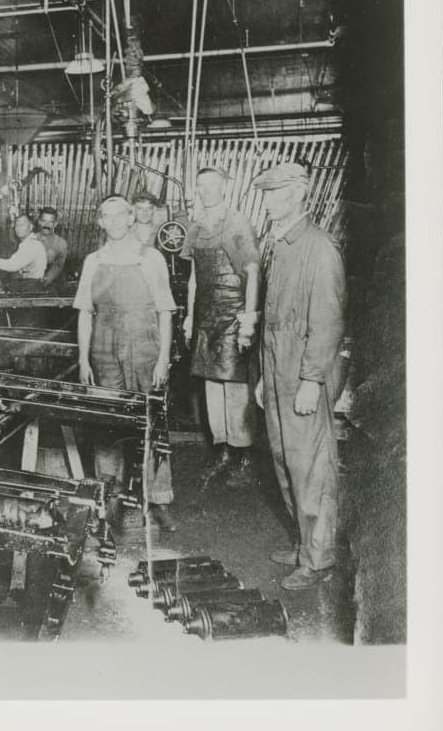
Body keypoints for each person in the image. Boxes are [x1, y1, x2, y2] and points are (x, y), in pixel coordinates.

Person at [253, 162, 346, 591]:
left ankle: (318, 556)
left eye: (275, 192)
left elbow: (326, 321)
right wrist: (264, 376)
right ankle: (302, 541)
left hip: (303, 370)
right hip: (277, 369)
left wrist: (311, 379)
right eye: (266, 192)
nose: (268, 200)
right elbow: (276, 320)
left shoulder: (318, 246)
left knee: (310, 466)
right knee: (284, 460)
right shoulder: (282, 243)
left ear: (297, 194)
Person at [74, 195, 178, 531]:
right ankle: (111, 498)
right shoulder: (93, 260)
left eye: (122, 214)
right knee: (108, 427)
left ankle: (159, 499)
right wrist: (83, 358)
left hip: (145, 344)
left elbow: (165, 312)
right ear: (100, 222)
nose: (116, 221)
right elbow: (85, 314)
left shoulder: (151, 258)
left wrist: (163, 359)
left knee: (152, 424)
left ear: (132, 217)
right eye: (108, 215)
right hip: (104, 347)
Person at [181, 166, 262, 488]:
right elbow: (194, 278)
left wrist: (248, 319)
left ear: (224, 187)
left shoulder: (237, 222)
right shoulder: (196, 227)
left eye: (212, 184)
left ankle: (243, 456)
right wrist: (190, 317)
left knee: (236, 386)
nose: (206, 189)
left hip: (234, 312)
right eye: (201, 184)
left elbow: (253, 272)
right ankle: (224, 453)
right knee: (212, 384)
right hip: (206, 312)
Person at [0, 213, 48, 288]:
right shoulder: (26, 244)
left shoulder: (33, 245)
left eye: (22, 225)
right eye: (17, 225)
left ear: (30, 227)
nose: (18, 228)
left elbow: (13, 265)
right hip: (27, 285)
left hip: (32, 287)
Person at [36, 206, 69, 286]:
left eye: (50, 222)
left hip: (52, 280)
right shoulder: (31, 239)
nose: (46, 225)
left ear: (55, 224)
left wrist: (46, 279)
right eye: (44, 221)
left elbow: (58, 265)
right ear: (39, 221)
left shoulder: (61, 243)